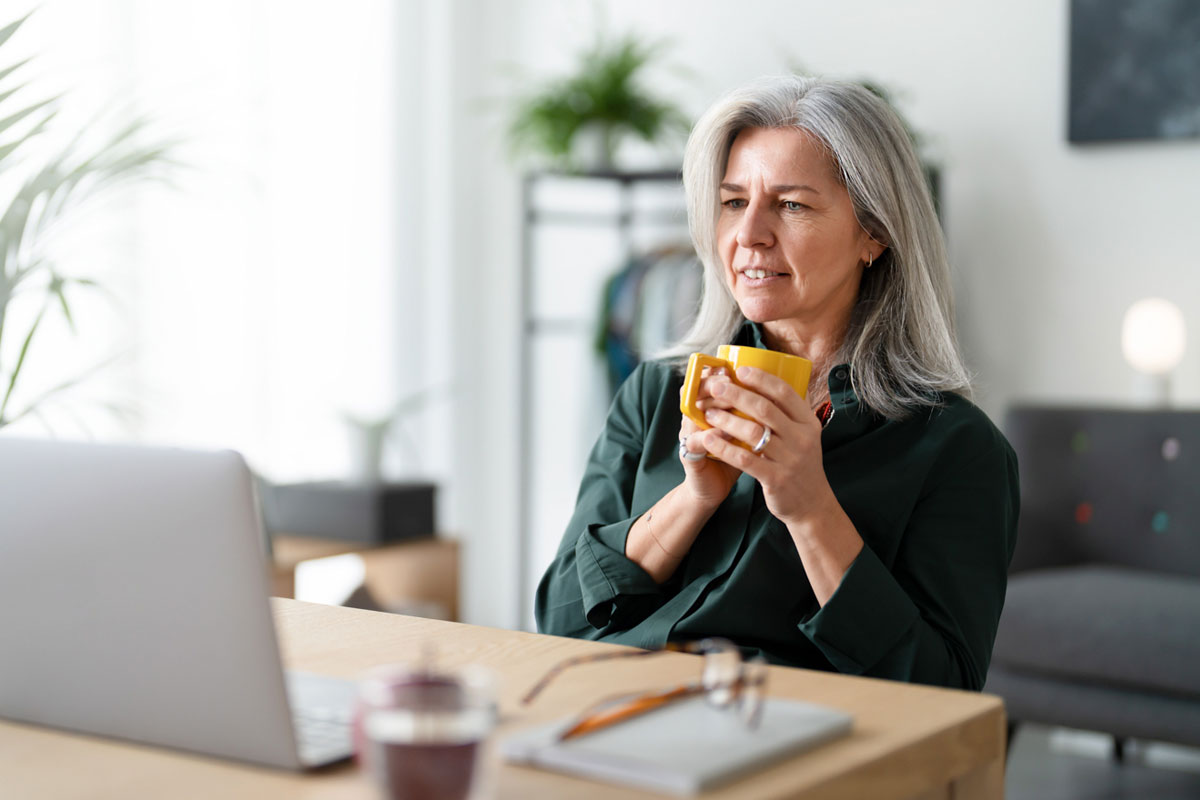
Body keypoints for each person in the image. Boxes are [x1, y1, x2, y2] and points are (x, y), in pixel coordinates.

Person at [534, 76, 1019, 691]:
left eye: (790, 205)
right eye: (734, 202)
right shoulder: (654, 395)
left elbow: (942, 691)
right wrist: (693, 500)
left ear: (875, 232)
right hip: (615, 710)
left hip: (796, 746)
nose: (750, 235)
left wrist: (810, 506)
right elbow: (559, 619)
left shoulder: (956, 447)